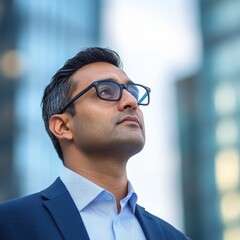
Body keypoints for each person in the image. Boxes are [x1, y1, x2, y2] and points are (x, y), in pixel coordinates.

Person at [0, 47, 191, 240]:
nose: (131, 102)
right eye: (106, 91)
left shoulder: (174, 237)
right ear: (63, 126)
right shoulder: (8, 224)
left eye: (132, 92)